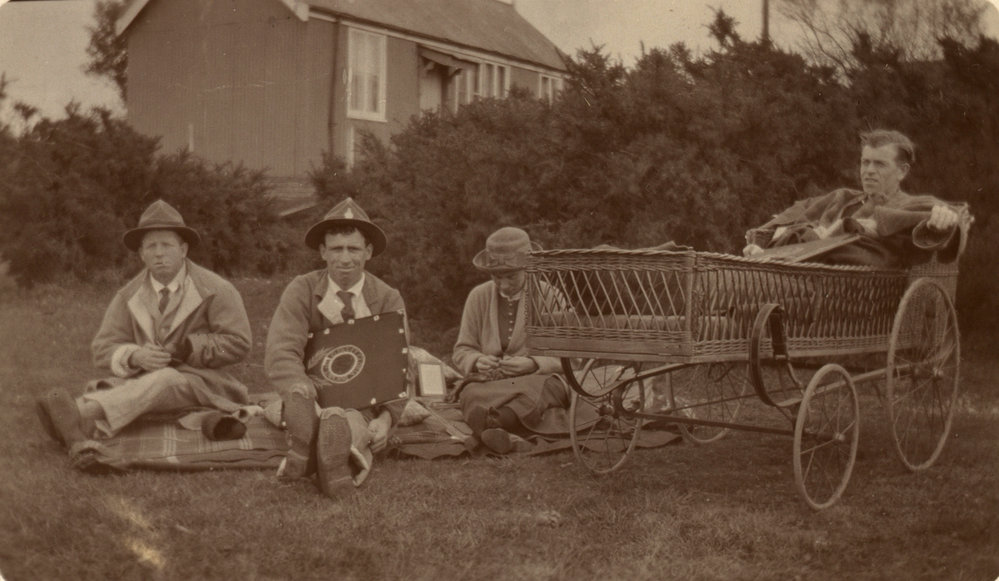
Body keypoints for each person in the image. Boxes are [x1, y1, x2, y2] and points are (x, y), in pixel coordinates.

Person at [35, 199, 253, 470]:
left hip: (202, 383)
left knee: (164, 379)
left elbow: (240, 342)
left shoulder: (216, 289)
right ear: (141, 254)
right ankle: (74, 430)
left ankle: (74, 419)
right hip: (142, 381)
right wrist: (135, 356)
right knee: (135, 385)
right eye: (151, 246)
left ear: (183, 249)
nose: (159, 254)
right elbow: (103, 347)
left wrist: (187, 348)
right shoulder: (128, 296)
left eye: (167, 245)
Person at [265, 197, 405, 498]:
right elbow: (282, 351)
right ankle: (332, 460)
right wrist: (303, 390)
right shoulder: (302, 289)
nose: (345, 258)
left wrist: (386, 420)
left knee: (350, 422)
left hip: (362, 401)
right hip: (312, 392)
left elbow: (399, 366)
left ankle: (312, 454)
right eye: (336, 249)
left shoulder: (387, 297)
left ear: (368, 252)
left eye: (353, 249)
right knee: (296, 406)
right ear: (322, 252)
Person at [743, 129, 971, 267]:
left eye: (879, 164)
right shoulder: (843, 198)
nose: (869, 170)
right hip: (803, 272)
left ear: (902, 171)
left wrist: (941, 222)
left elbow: (940, 217)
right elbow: (800, 209)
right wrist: (772, 233)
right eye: (865, 162)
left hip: (857, 291)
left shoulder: (910, 204)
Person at [452, 227, 572, 454]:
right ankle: (500, 429)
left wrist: (533, 364)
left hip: (535, 380)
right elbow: (462, 350)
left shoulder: (549, 296)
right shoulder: (478, 296)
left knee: (539, 390)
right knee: (470, 393)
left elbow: (566, 356)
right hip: (490, 381)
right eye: (497, 276)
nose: (504, 284)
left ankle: (493, 424)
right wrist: (478, 361)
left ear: (527, 268)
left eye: (511, 276)